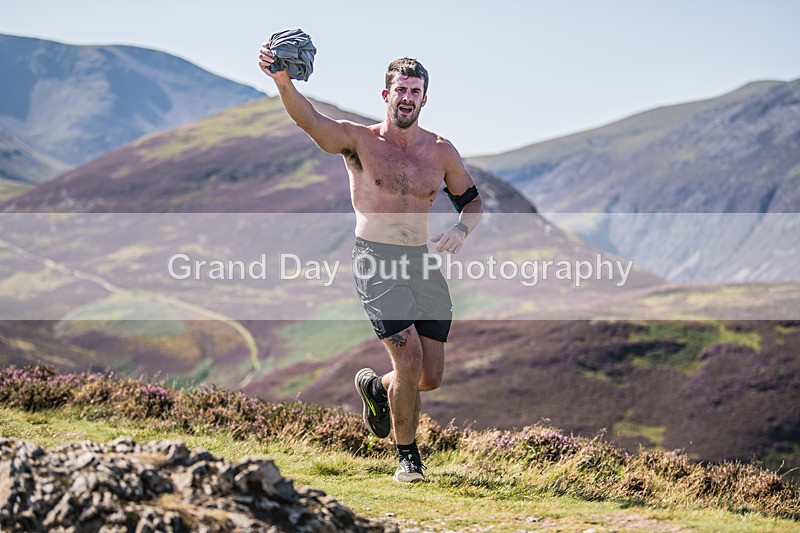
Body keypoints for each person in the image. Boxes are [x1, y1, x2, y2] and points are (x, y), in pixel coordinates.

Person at [259, 46, 483, 483]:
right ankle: (407, 459)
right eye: (401, 89)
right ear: (386, 94)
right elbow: (309, 120)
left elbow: (472, 203)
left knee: (429, 376)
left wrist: (460, 230)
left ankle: (375, 387)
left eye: (415, 91)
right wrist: (283, 81)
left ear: (423, 100)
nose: (407, 97)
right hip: (376, 264)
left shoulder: (440, 152)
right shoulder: (359, 141)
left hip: (421, 264)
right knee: (409, 358)